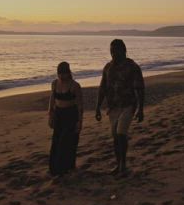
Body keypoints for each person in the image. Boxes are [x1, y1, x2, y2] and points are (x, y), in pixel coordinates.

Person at [95, 39, 145, 175]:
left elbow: (139, 88)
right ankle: (118, 164)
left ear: (123, 51)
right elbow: (102, 87)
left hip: (128, 105)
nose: (113, 54)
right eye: (111, 51)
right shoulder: (108, 67)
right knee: (115, 137)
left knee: (121, 133)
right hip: (113, 107)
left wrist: (140, 109)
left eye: (116, 51)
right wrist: (98, 107)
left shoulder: (132, 67)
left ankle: (123, 165)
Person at [47, 61, 83, 176]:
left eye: (64, 74)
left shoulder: (75, 86)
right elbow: (52, 100)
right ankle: (54, 169)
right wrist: (50, 115)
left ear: (68, 73)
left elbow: (80, 105)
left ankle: (66, 167)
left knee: (67, 141)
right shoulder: (54, 84)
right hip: (59, 114)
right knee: (56, 141)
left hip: (71, 115)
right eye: (59, 74)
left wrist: (79, 121)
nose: (61, 76)